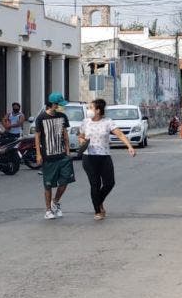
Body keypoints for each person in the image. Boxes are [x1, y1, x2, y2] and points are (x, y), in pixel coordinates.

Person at [78, 98, 136, 220]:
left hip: (104, 156)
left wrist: (129, 146)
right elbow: (81, 135)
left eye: (91, 107)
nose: (88, 110)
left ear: (98, 110)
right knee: (95, 184)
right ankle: (97, 211)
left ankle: (98, 202)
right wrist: (82, 140)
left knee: (110, 183)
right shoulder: (85, 122)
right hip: (89, 157)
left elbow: (119, 134)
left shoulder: (108, 122)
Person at [35, 92, 74, 220]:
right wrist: (38, 154)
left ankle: (55, 201)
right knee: (48, 184)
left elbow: (65, 134)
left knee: (65, 181)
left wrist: (68, 151)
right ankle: (48, 210)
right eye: (58, 104)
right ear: (52, 104)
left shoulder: (62, 116)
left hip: (62, 155)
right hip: (48, 156)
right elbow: (37, 136)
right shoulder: (41, 118)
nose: (60, 107)